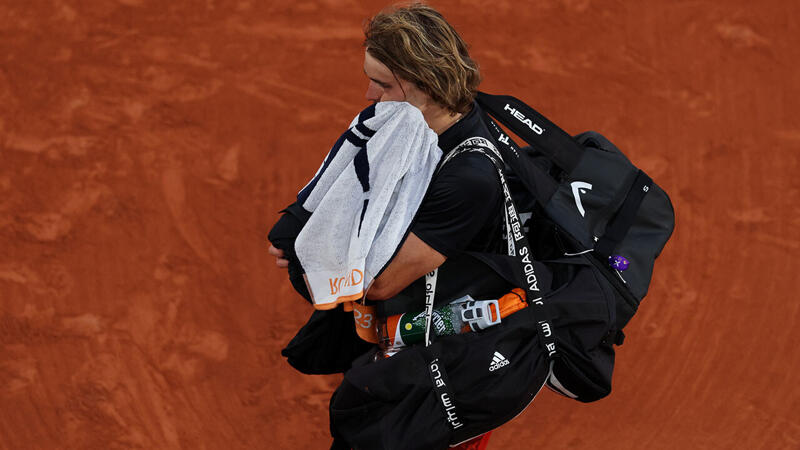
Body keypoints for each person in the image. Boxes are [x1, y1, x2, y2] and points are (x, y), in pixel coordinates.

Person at [269, 4, 506, 449]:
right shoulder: (412, 129)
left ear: (423, 85)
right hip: (404, 352)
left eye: (380, 84)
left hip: (442, 379)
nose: (368, 95)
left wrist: (313, 257)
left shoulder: (468, 176)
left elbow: (377, 283)